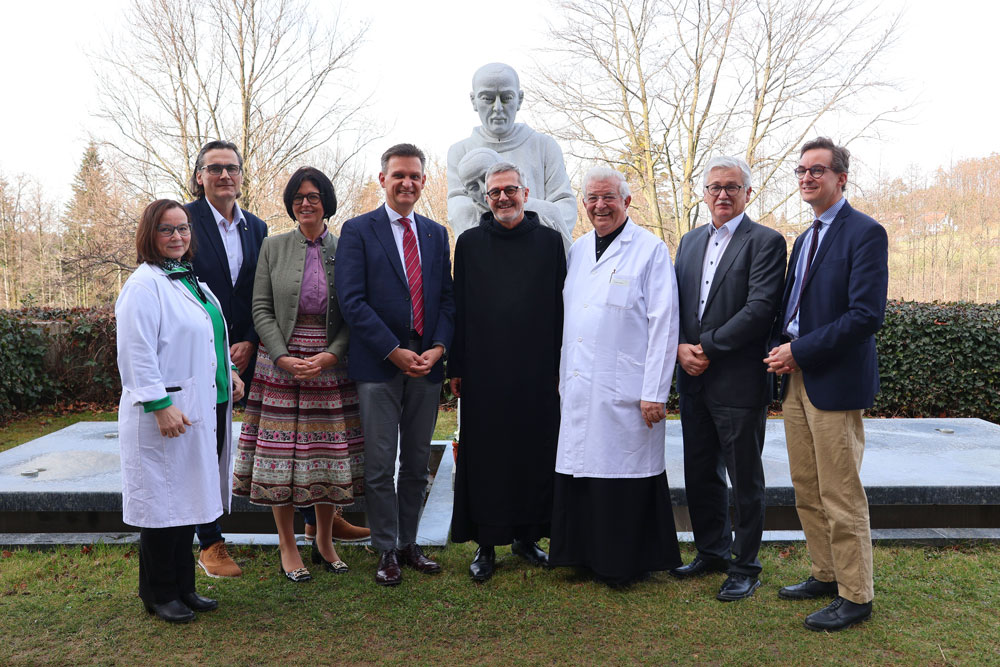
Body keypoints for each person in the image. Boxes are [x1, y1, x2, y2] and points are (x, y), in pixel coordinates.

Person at [764, 137, 888, 631]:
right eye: (801, 171)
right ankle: (825, 574)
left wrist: (801, 349)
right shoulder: (804, 237)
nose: (807, 178)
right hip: (796, 380)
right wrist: (781, 347)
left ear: (841, 178)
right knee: (806, 487)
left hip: (833, 382)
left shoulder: (865, 233)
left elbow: (865, 316)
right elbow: (794, 308)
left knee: (841, 493)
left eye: (817, 170)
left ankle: (856, 596)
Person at [550, 166, 682, 587]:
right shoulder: (578, 250)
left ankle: (624, 562)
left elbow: (665, 324)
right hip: (579, 381)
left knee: (624, 473)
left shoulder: (650, 250)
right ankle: (583, 556)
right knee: (582, 471)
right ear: (583, 203)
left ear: (627, 201)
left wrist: (655, 392)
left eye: (609, 197)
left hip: (627, 387)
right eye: (592, 198)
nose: (600, 205)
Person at [232, 167, 365, 582]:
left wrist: (330, 355)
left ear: (327, 201)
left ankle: (324, 540)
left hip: (330, 366)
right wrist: (282, 355)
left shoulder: (347, 248)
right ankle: (288, 546)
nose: (305, 203)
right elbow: (261, 308)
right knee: (281, 461)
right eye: (297, 197)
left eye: (313, 196)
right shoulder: (273, 247)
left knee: (326, 460)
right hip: (280, 366)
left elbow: (354, 310)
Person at [116, 199, 244, 623]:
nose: (177, 237)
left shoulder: (190, 280)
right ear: (150, 235)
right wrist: (159, 404)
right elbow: (136, 352)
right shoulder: (143, 285)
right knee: (161, 507)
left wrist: (230, 375)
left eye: (183, 229)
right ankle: (158, 593)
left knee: (187, 501)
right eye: (167, 230)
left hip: (198, 408)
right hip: (165, 414)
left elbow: (209, 339)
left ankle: (184, 588)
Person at [335, 143, 455, 586]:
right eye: (399, 175)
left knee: (418, 462)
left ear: (424, 181)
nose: (407, 182)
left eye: (415, 176)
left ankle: (409, 542)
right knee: (381, 463)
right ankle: (385, 548)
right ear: (382, 179)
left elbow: (445, 299)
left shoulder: (436, 233)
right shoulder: (358, 230)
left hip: (426, 364)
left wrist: (439, 347)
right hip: (380, 365)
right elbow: (352, 300)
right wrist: (392, 350)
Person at [671, 156, 786, 601]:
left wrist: (706, 348)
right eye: (715, 186)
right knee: (700, 472)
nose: (722, 194)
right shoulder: (689, 241)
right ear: (703, 193)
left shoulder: (766, 242)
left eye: (732, 187)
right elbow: (676, 302)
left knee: (745, 477)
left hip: (737, 380)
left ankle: (746, 564)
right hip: (693, 379)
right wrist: (681, 346)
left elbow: (760, 310)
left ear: (748, 194)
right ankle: (712, 551)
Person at [448, 162, 566, 582]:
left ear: (526, 193)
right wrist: (457, 366)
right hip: (485, 371)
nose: (502, 198)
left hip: (537, 372)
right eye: (494, 192)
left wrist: (560, 367)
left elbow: (560, 309)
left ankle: (529, 537)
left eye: (510, 190)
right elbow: (458, 308)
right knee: (488, 457)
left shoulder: (550, 244)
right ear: (485, 197)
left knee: (535, 453)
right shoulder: (470, 244)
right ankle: (486, 542)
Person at [185, 140, 266, 578]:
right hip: (203, 356)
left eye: (231, 167)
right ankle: (210, 541)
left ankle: (314, 520)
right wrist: (220, 351)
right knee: (208, 445)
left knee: (276, 434)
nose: (224, 175)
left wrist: (251, 339)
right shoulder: (183, 222)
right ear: (199, 176)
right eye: (213, 168)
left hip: (248, 350)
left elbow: (260, 291)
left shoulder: (257, 226)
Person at [447, 63, 576, 249]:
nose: (497, 108)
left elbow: (563, 202)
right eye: (487, 98)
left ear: (520, 99)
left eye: (506, 98)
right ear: (474, 101)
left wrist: (532, 232)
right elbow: (459, 208)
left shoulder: (544, 146)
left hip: (539, 252)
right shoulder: (460, 151)